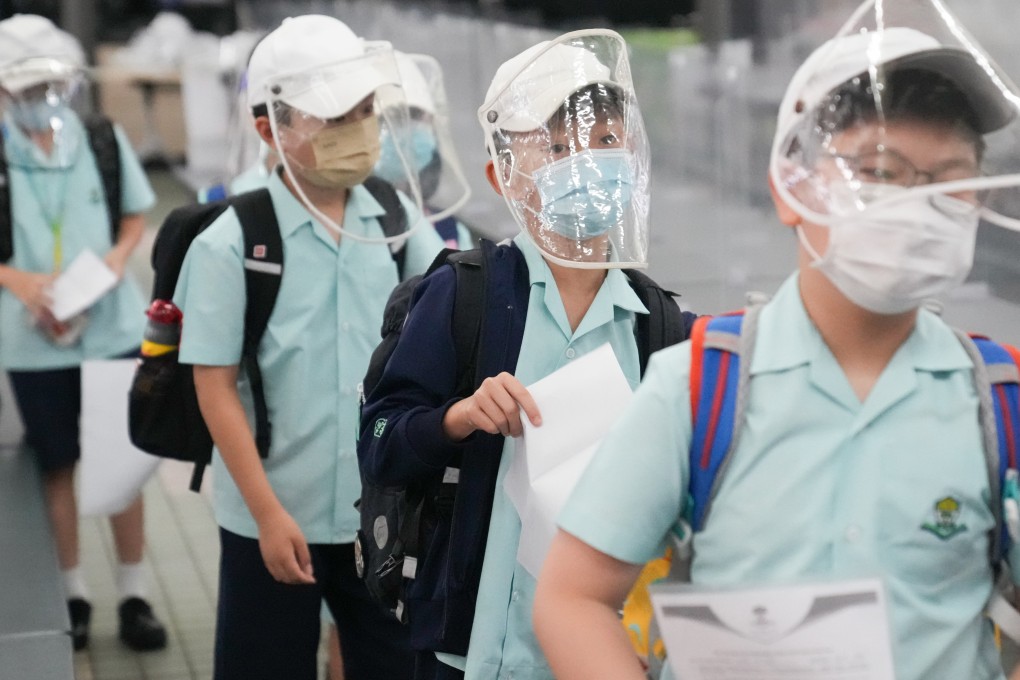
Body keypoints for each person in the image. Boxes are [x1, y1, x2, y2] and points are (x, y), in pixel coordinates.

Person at [533, 2, 1020, 679]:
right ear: (792, 184)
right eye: (878, 171)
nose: (918, 204)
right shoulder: (700, 387)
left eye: (952, 182)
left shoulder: (1000, 403)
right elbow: (573, 598)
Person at [358, 30, 695, 680]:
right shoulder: (466, 295)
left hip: (607, 650)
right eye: (559, 147)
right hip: (473, 648)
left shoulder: (657, 324)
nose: (589, 163)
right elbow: (379, 441)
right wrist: (457, 418)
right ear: (502, 175)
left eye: (604, 141)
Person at [173, 14, 445, 680]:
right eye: (333, 117)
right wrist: (266, 515)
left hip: (379, 511)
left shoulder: (397, 221)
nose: (358, 129)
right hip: (270, 512)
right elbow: (214, 387)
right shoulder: (232, 243)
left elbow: (450, 317)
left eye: (363, 110)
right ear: (271, 127)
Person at [0, 14, 167, 652]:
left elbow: (133, 218)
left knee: (120, 461)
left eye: (48, 89)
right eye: (22, 92)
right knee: (57, 465)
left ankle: (135, 593)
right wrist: (19, 283)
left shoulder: (98, 136)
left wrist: (115, 265)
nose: (38, 105)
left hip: (112, 325)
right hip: (32, 337)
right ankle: (72, 590)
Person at [373, 50, 474, 250]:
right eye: (391, 117)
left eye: (416, 115)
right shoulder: (353, 226)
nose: (407, 127)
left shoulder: (449, 230)